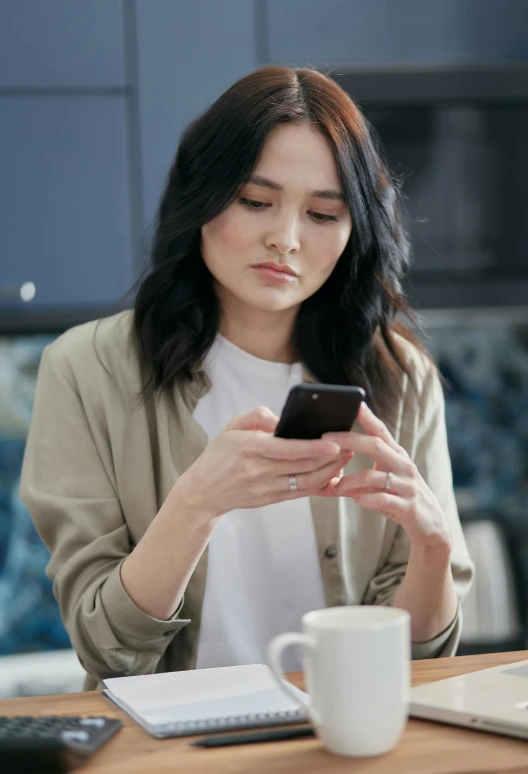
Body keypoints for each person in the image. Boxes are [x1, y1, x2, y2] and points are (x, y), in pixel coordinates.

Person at [20, 67, 473, 689]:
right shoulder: (84, 371)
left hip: (344, 738)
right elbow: (107, 650)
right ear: (198, 198)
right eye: (256, 202)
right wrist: (197, 501)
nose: (284, 238)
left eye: (322, 213)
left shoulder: (401, 376)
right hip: (172, 750)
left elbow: (423, 664)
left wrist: (435, 549)